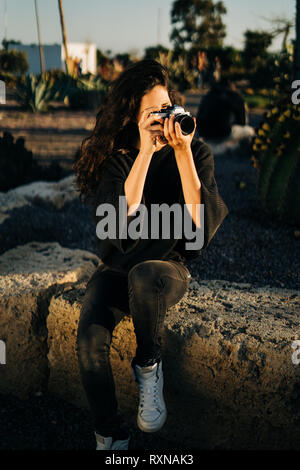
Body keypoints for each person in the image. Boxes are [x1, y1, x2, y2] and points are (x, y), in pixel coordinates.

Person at [73, 59, 228, 451]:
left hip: (165, 268)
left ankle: (148, 367)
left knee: (144, 276)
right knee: (90, 335)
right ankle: (109, 435)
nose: (161, 120)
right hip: (116, 267)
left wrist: (182, 153)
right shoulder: (121, 159)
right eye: (151, 114)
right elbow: (116, 228)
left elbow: (199, 228)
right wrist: (145, 152)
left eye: (166, 109)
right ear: (133, 117)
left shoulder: (195, 153)